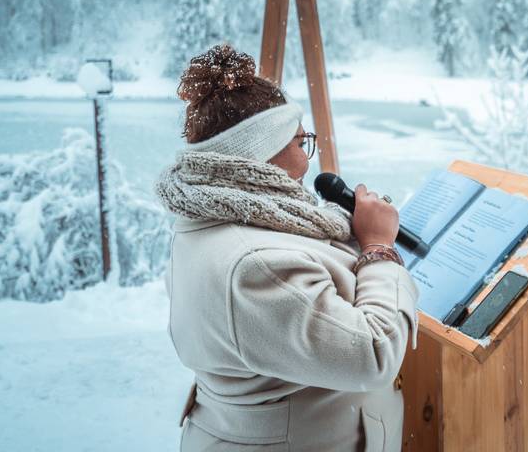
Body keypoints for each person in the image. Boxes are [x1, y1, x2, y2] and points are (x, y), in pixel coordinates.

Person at [155, 45, 418, 451]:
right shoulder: (255, 265)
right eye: (300, 141)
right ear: (260, 154)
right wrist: (379, 249)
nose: (306, 162)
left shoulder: (217, 220)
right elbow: (372, 353)